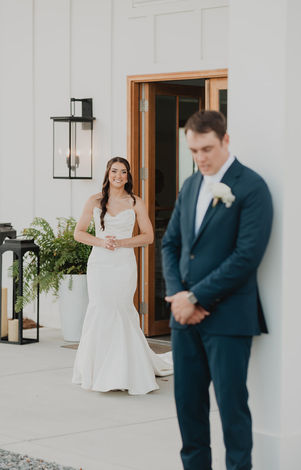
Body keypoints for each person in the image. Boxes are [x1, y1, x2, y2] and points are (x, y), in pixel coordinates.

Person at [162, 110, 273, 470]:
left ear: (226, 140)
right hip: (184, 320)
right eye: (193, 150)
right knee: (188, 412)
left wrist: (196, 297)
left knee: (232, 412)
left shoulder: (252, 187)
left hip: (228, 320)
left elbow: (246, 257)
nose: (201, 158)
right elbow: (171, 244)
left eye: (207, 149)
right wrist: (179, 296)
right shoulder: (191, 184)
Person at [72, 156, 172, 395]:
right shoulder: (94, 201)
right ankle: (97, 370)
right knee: (100, 309)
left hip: (124, 264)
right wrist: (101, 242)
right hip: (100, 263)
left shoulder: (136, 202)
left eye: (123, 172)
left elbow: (148, 236)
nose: (118, 176)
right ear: (107, 174)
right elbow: (79, 232)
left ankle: (126, 370)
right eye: (114, 171)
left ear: (128, 176)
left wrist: (123, 242)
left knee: (121, 308)